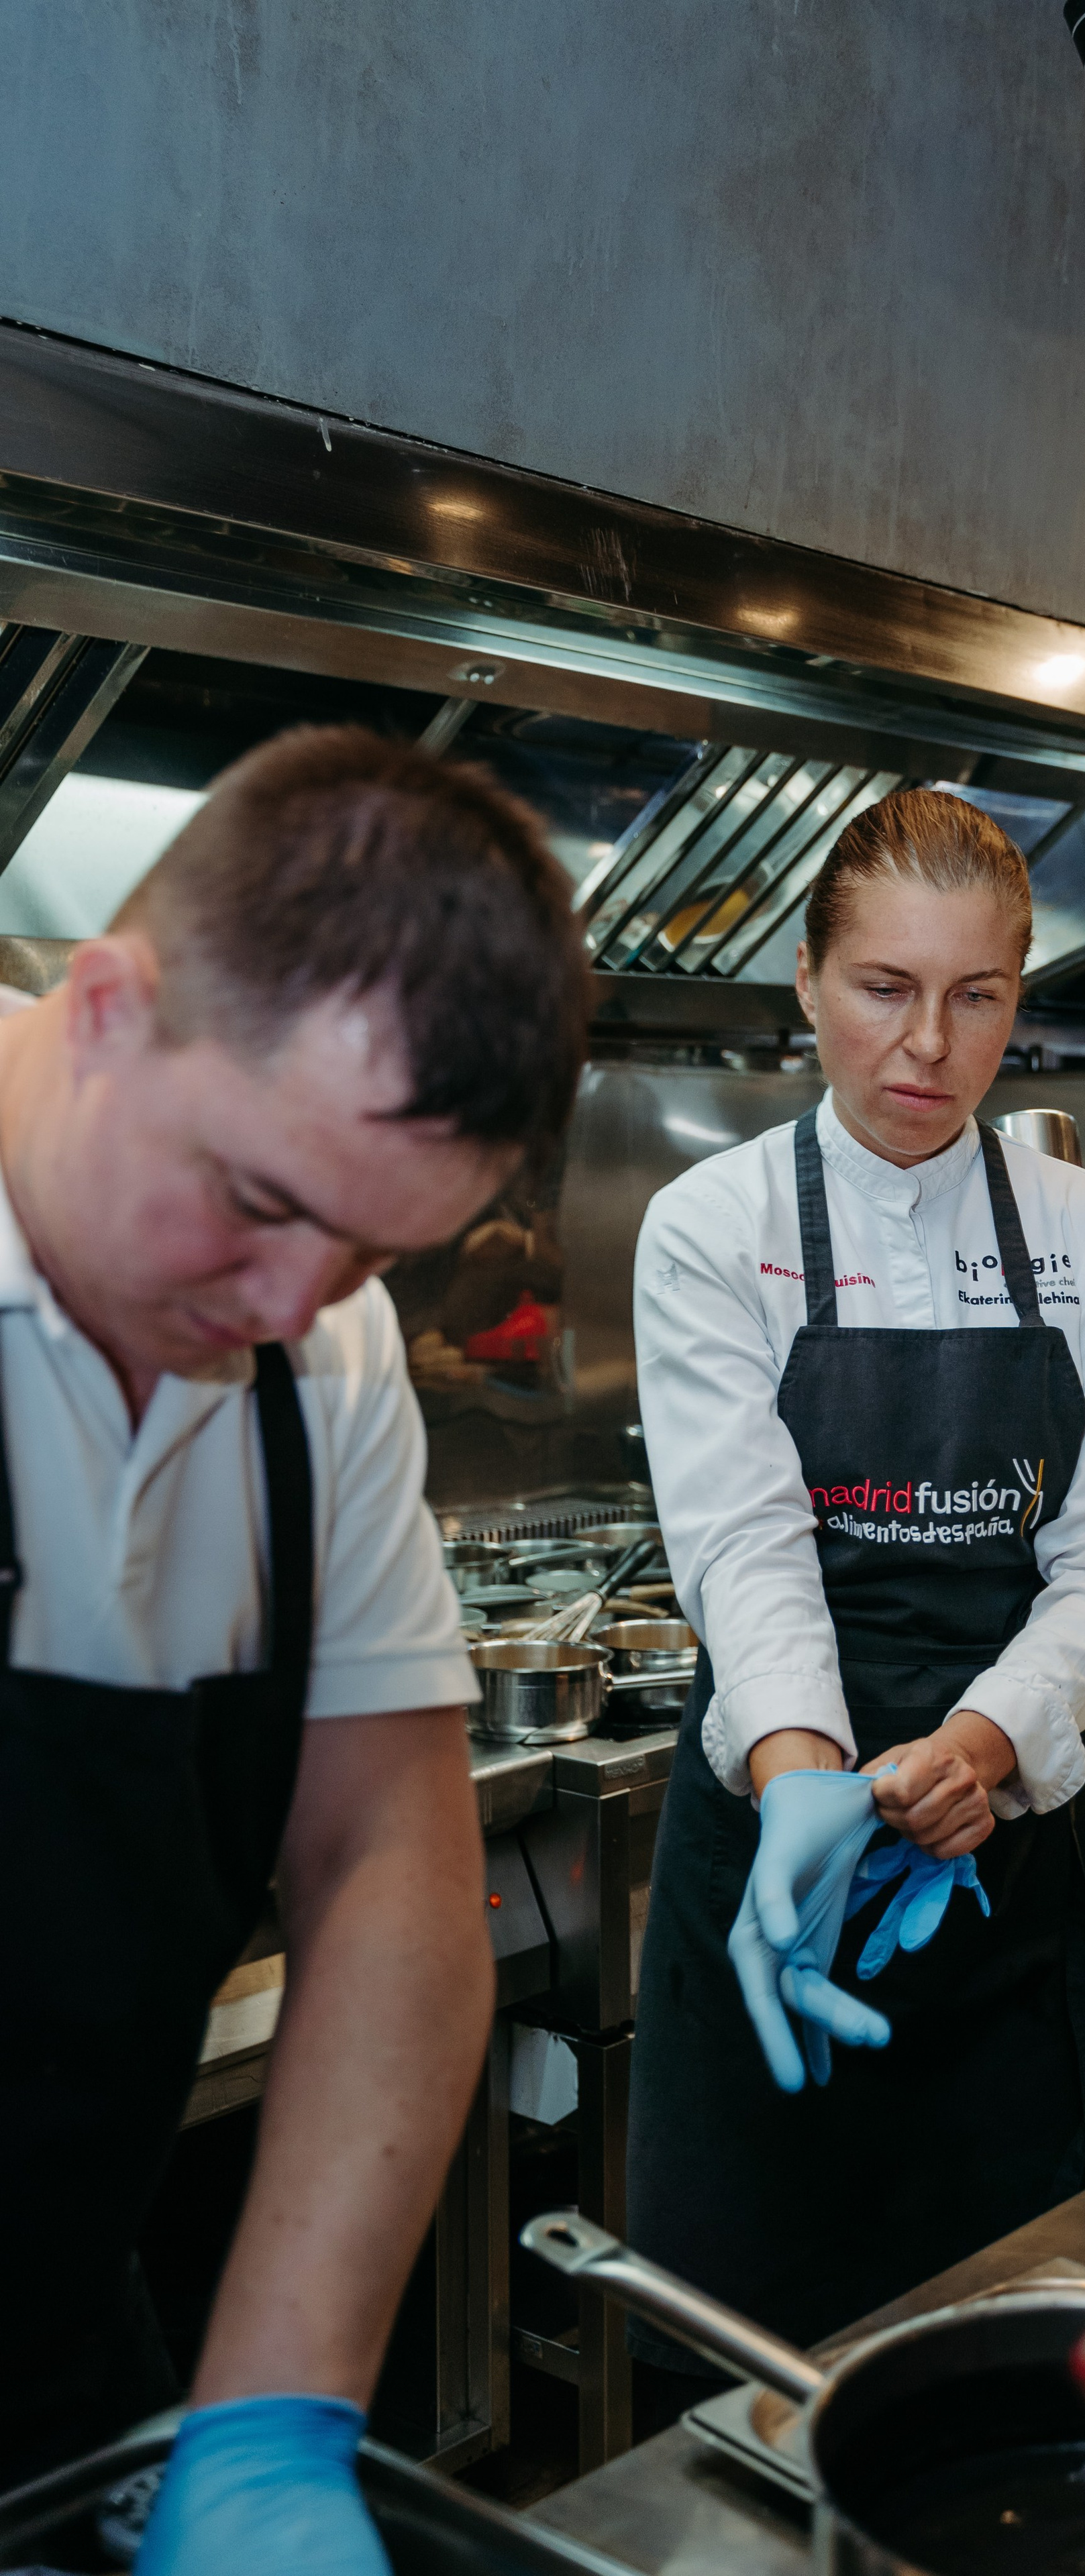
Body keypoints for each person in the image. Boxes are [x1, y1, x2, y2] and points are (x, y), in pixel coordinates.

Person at [0, 729, 586, 2570]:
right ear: (106, 1006)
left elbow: (388, 1859)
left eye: (361, 1260)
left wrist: (266, 2424)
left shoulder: (310, 1354)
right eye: (258, 1205)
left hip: (48, 2361)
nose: (285, 1308)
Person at [626, 788, 1085, 2424]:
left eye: (978, 996)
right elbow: (744, 1542)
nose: (928, 1045)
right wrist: (810, 1775)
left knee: (1033, 2371)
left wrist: (984, 1745)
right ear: (803, 980)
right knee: (750, 2377)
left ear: (1020, 992)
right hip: (779, 1847)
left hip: (1011, 1847)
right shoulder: (710, 1226)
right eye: (882, 987)